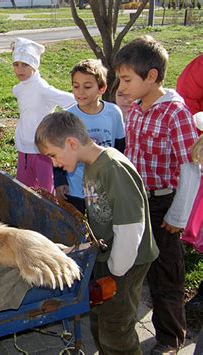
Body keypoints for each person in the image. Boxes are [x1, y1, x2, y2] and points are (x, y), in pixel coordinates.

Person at [35, 111, 159, 354]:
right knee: (100, 320)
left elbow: (131, 227)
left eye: (52, 155)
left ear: (71, 143)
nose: (54, 163)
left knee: (116, 329)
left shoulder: (113, 168)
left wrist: (115, 270)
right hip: (108, 257)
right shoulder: (91, 166)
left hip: (126, 262)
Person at [114, 35, 199, 354]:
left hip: (165, 205)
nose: (121, 87)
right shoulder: (136, 108)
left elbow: (191, 168)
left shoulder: (175, 112)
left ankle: (170, 337)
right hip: (138, 201)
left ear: (151, 76)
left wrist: (178, 216)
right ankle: (129, 321)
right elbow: (133, 153)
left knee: (166, 275)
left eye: (126, 79)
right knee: (138, 267)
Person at [54, 59, 125, 214]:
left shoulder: (113, 113)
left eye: (87, 87)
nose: (80, 92)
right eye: (75, 86)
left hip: (105, 187)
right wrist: (60, 181)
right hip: (75, 190)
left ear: (101, 88)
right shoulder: (68, 117)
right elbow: (58, 153)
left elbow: (120, 148)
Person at [12, 37, 74, 193]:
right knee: (24, 189)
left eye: (25, 65)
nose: (20, 69)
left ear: (34, 65)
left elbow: (71, 100)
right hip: (23, 147)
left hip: (42, 150)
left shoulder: (42, 89)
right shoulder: (19, 88)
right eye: (16, 64)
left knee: (45, 191)